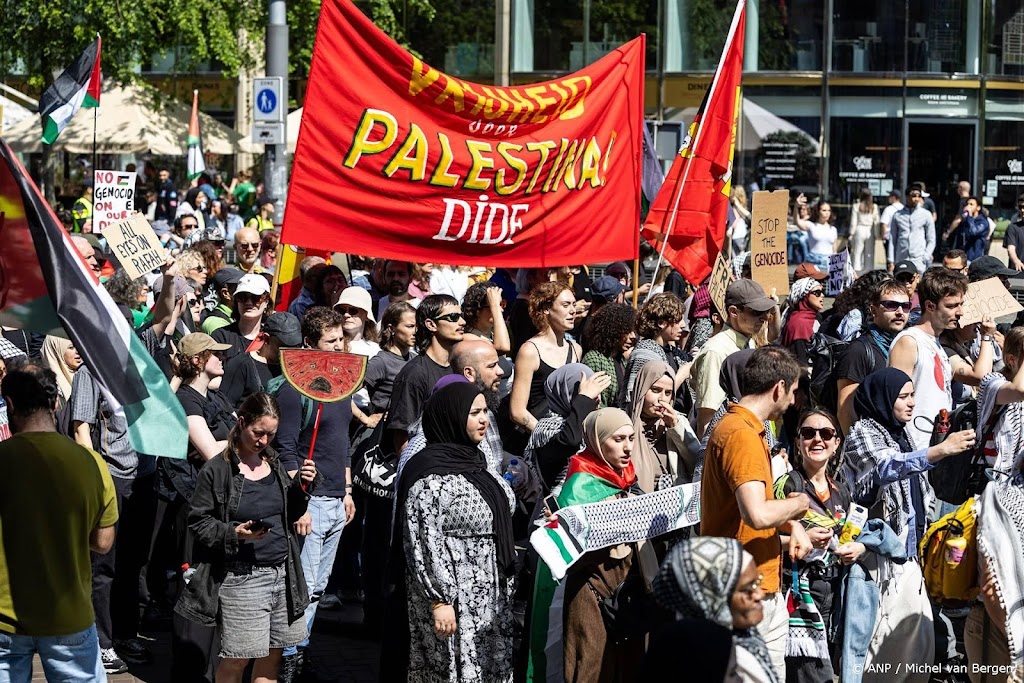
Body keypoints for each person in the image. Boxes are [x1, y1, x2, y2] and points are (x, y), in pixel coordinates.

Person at [176, 393, 318, 683]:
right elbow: (198, 522)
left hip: (283, 574)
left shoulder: (274, 462)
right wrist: (234, 533)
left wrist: (302, 486)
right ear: (241, 423)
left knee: (273, 656)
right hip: (243, 578)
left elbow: (289, 512)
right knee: (238, 659)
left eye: (271, 434)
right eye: (258, 432)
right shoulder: (218, 469)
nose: (264, 441)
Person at [841, 368, 975, 674]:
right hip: (876, 556)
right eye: (903, 397)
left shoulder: (900, 431)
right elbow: (887, 466)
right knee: (880, 644)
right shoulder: (863, 431)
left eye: (913, 395)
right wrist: (940, 450)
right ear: (882, 399)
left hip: (906, 553)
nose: (912, 403)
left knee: (914, 645)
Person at [700, 346, 814, 678]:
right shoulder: (741, 434)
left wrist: (792, 527)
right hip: (744, 594)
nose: (793, 401)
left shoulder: (744, 429)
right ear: (778, 388)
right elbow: (756, 514)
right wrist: (800, 505)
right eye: (792, 392)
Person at [392, 382, 516, 682]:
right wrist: (440, 599)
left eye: (485, 411)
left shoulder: (478, 464)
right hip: (454, 599)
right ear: (451, 417)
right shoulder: (428, 475)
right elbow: (424, 543)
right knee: (453, 670)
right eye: (474, 413)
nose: (483, 419)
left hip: (489, 594)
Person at [0, 362, 116, 682]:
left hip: (5, 618)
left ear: (9, 404)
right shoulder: (92, 464)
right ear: (55, 403)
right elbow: (103, 543)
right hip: (68, 614)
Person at [276, 307, 355, 680]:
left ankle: (302, 650)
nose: (339, 347)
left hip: (338, 500)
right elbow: (287, 447)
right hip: (312, 502)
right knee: (302, 588)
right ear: (310, 344)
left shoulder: (342, 388)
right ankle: (289, 658)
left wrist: (348, 489)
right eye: (330, 341)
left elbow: (344, 444)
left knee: (319, 588)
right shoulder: (296, 391)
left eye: (341, 340)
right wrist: (300, 502)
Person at [773, 409, 857, 682]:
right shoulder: (788, 485)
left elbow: (848, 536)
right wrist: (803, 540)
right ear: (798, 442)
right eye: (808, 433)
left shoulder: (841, 490)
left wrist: (853, 550)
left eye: (826, 433)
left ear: (836, 444)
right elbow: (763, 539)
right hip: (798, 595)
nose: (817, 439)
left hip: (833, 594)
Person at [647, 537, 778, 683]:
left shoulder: (744, 640)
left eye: (757, 581)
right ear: (714, 598)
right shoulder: (718, 660)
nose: (760, 594)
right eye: (748, 588)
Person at [889, 267, 992, 450]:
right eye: (952, 306)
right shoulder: (909, 342)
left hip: (936, 449)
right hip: (914, 450)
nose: (960, 312)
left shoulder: (936, 343)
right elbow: (895, 400)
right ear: (930, 306)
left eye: (960, 304)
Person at [692, 279, 778, 438]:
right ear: (734, 312)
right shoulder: (716, 351)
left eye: (766, 311)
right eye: (756, 312)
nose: (765, 317)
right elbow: (707, 419)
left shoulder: (750, 342)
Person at [386, 295, 464, 455]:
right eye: (453, 317)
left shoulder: (459, 366)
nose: (462, 322)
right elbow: (401, 438)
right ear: (431, 324)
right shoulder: (414, 373)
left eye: (461, 316)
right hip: (426, 466)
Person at [508, 282, 581, 443]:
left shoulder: (576, 349)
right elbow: (517, 411)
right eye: (565, 305)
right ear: (546, 309)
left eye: (574, 304)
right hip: (539, 441)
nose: (572, 311)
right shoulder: (530, 351)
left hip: (569, 438)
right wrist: (548, 436)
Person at [835, 279, 911, 432]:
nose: (899, 312)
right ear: (873, 310)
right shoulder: (859, 350)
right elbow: (845, 411)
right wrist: (860, 448)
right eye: (891, 305)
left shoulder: (909, 345)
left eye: (906, 306)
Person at [523, 363, 606, 489]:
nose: (597, 399)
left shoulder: (588, 425)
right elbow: (569, 441)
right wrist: (584, 400)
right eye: (588, 394)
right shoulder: (547, 428)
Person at [627, 360, 699, 492]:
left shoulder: (677, 421)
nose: (662, 399)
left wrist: (675, 429)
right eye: (655, 390)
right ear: (641, 389)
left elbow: (698, 464)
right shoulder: (624, 422)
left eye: (668, 393)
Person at [220, 312, 303, 408]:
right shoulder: (242, 364)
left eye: (295, 347)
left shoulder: (295, 368)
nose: (290, 353)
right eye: (284, 347)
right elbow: (224, 409)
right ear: (266, 339)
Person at [623, 293, 690, 405]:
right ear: (661, 323)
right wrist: (681, 376)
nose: (683, 325)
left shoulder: (672, 352)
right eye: (678, 321)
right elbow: (644, 397)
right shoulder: (645, 353)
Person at [364, 301, 417, 417]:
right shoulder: (381, 362)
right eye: (410, 326)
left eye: (417, 326)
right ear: (391, 328)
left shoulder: (416, 360)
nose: (415, 332)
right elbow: (348, 392)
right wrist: (364, 418)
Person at [581, 302, 636, 408]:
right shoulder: (594, 359)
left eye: (633, 331)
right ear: (612, 330)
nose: (633, 336)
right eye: (627, 331)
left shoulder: (621, 360)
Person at [212, 273, 271, 361]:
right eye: (242, 297)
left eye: (256, 298)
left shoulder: (271, 339)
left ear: (266, 301)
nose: (249, 303)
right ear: (236, 301)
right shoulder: (220, 337)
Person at [887, 186, 935, 275]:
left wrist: (926, 255)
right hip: (901, 258)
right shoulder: (897, 215)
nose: (916, 199)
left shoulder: (926, 214)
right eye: (913, 196)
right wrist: (891, 260)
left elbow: (931, 238)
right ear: (907, 197)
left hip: (918, 259)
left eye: (918, 196)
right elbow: (893, 238)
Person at [778, 278, 825, 365]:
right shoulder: (799, 324)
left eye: (823, 292)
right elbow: (800, 363)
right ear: (804, 295)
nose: (822, 295)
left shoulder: (815, 317)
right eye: (817, 293)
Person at [461, 283, 511, 356]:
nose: (501, 310)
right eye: (493, 306)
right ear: (477, 311)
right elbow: (503, 347)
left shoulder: (494, 334)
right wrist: (495, 306)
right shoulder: (467, 337)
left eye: (501, 304)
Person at [793, 194, 837, 270]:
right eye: (824, 210)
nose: (827, 213)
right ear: (818, 211)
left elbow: (834, 251)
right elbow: (797, 222)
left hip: (828, 262)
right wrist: (796, 207)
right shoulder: (811, 225)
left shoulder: (833, 229)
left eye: (829, 210)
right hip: (813, 261)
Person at [40, 335, 82, 404]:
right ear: (56, 352)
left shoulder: (89, 375)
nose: (78, 351)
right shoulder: (49, 388)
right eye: (71, 347)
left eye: (79, 345)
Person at [945, 196, 988, 261]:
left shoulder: (983, 222)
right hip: (963, 256)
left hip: (975, 257)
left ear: (978, 208)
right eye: (967, 204)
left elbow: (974, 232)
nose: (968, 206)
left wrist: (970, 217)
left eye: (971, 204)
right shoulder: (966, 220)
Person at [849, 188, 880, 274]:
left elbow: (853, 222)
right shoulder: (874, 207)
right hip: (870, 230)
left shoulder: (856, 206)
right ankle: (869, 271)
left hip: (859, 229)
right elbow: (876, 221)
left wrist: (851, 233)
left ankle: (856, 272)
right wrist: (877, 235)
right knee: (869, 253)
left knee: (857, 252)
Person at [1001, 192, 1024, 272]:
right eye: (1020, 207)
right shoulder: (1013, 228)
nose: (1022, 210)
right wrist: (1016, 261)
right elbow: (1010, 249)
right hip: (1017, 271)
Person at [727, 186, 752, 256]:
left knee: (736, 257)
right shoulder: (743, 208)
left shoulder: (735, 207)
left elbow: (734, 222)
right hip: (742, 235)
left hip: (736, 236)